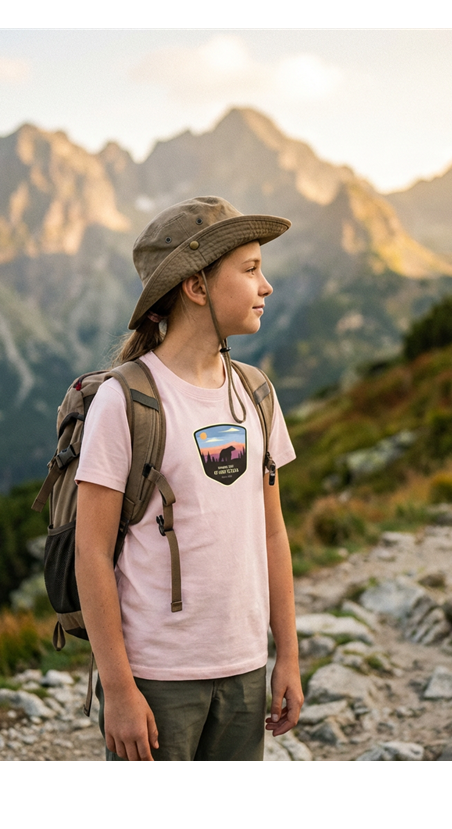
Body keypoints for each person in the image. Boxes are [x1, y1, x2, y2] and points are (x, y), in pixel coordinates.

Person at [74, 196, 303, 761]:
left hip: (245, 669)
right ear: (196, 288)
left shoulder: (256, 392)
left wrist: (288, 656)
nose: (266, 285)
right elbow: (92, 553)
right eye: (249, 270)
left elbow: (272, 534)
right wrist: (121, 692)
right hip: (157, 679)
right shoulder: (125, 400)